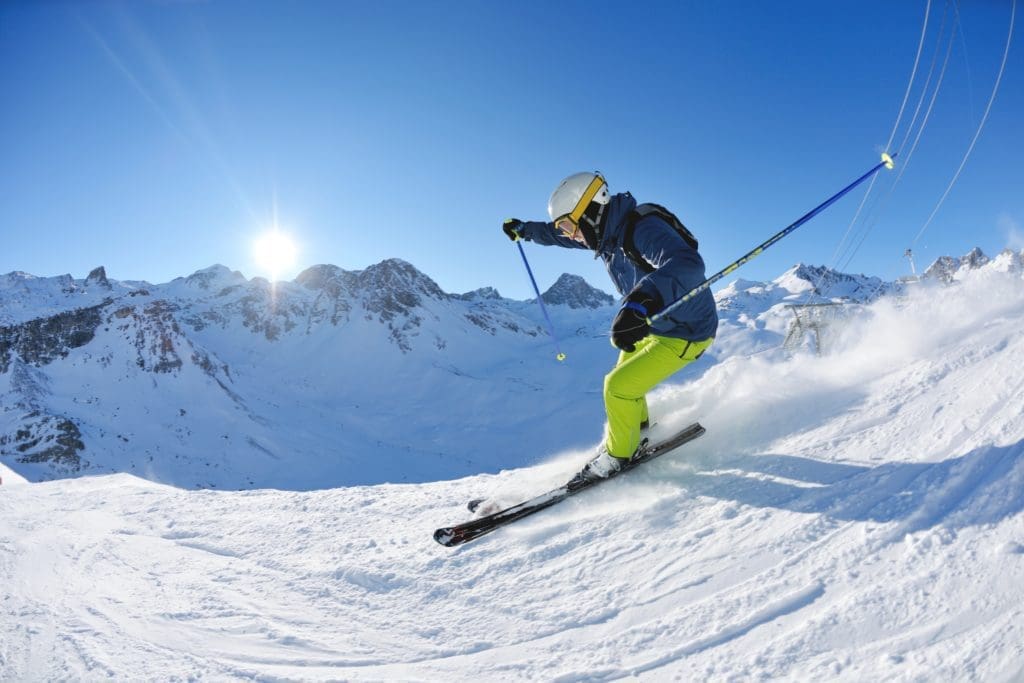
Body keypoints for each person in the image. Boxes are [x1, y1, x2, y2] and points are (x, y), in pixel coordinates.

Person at [502, 171, 718, 480]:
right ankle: (638, 431)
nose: (568, 234)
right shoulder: (608, 235)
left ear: (590, 212)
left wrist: (640, 302)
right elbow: (555, 237)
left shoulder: (642, 229)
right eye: (564, 227)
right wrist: (525, 230)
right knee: (621, 379)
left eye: (569, 225)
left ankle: (618, 457)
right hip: (657, 326)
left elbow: (687, 264)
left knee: (617, 388)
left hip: (687, 330)